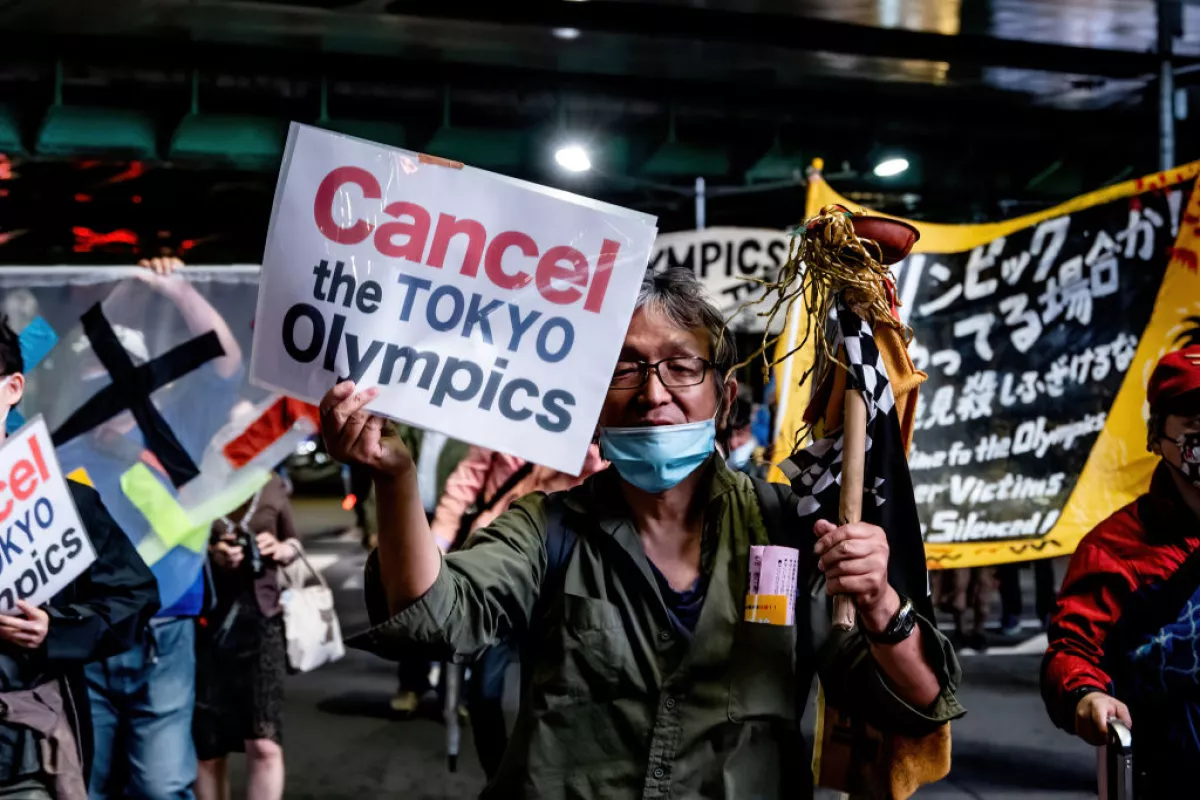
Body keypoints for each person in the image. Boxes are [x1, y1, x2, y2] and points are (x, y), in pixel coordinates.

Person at [324, 267, 963, 798]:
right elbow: (430, 614)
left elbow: (911, 701)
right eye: (625, 370)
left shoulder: (791, 531)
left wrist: (881, 604)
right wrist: (395, 478)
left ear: (725, 395)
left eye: (681, 367)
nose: (653, 393)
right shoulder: (546, 529)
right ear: (593, 402)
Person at [52, 257, 244, 800]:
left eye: (114, 381)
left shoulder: (177, 430)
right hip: (82, 630)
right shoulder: (61, 441)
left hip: (164, 629)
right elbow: (25, 361)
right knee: (83, 784)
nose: (104, 394)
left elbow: (224, 361)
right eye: (94, 380)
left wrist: (179, 291)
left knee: (161, 787)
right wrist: (108, 301)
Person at [0, 316, 161, 799]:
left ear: (12, 388)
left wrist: (57, 629)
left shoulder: (62, 503)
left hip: (21, 754)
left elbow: (133, 595)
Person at [1042, 344, 1200, 792]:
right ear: (1157, 438)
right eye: (1196, 424)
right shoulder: (1114, 549)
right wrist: (1086, 695)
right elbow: (1071, 651)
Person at [427, 443, 608, 779]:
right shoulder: (506, 427)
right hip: (498, 568)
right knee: (483, 692)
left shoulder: (593, 437)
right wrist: (437, 547)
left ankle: (532, 777)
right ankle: (497, 776)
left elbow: (606, 491)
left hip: (557, 575)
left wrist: (588, 454)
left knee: (541, 693)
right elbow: (463, 483)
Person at [194, 473, 299, 800]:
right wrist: (212, 553)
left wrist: (280, 549)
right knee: (209, 748)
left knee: (264, 742)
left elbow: (294, 543)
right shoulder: (200, 484)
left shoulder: (271, 484)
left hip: (262, 622)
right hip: (207, 626)